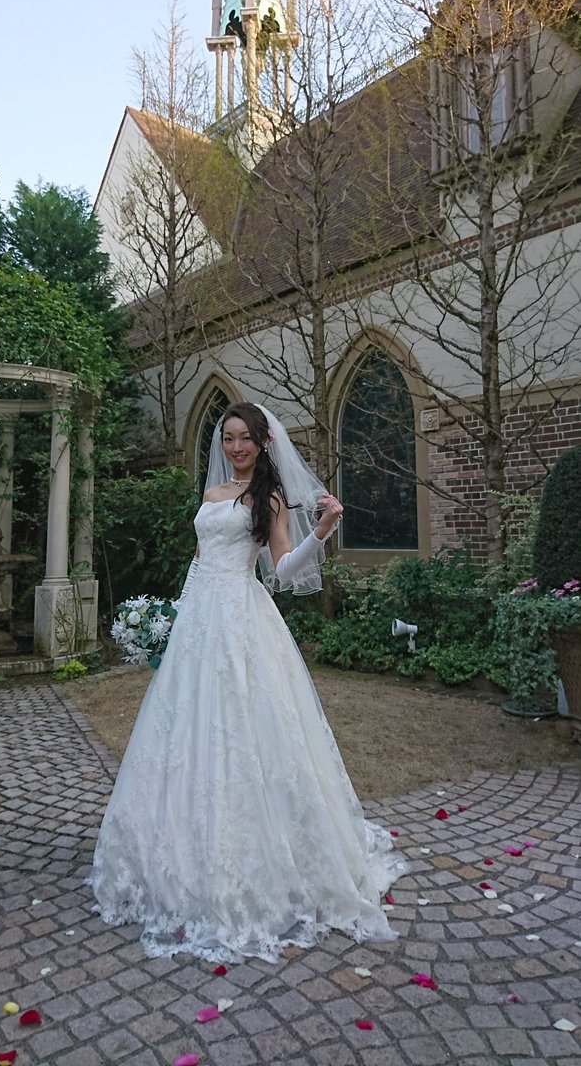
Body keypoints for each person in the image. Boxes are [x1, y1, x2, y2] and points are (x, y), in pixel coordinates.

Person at [90, 401, 405, 963]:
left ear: (262, 443)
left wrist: (323, 531)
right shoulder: (212, 494)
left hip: (243, 616)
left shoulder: (269, 498)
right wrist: (174, 617)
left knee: (248, 726)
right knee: (186, 729)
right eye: (228, 438)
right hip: (199, 620)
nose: (235, 447)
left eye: (245, 439)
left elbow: (282, 570)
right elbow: (197, 561)